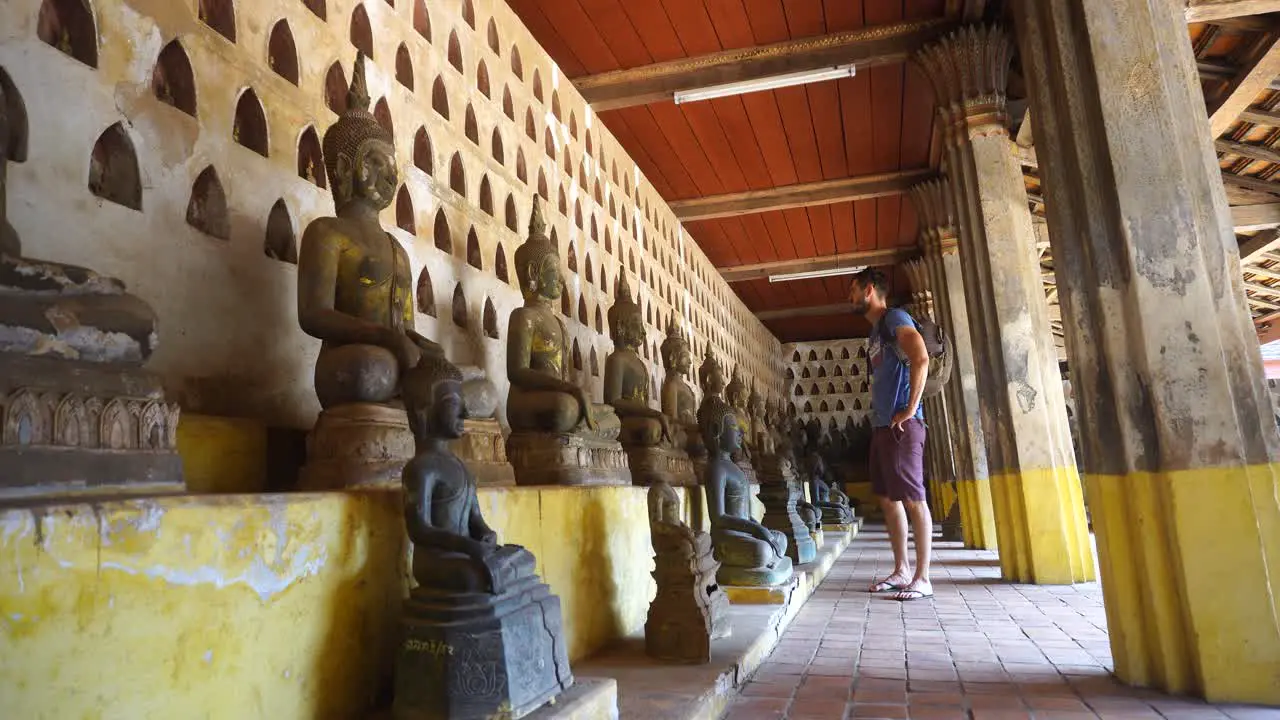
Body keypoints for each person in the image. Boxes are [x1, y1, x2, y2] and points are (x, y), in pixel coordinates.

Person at [849, 268, 933, 601]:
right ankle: (901, 570)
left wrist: (911, 408)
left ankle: (922, 577)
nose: (850, 298)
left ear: (869, 290)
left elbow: (921, 357)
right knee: (887, 499)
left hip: (902, 426)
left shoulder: (895, 317)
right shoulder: (874, 335)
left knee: (914, 499)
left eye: (854, 291)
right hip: (883, 426)